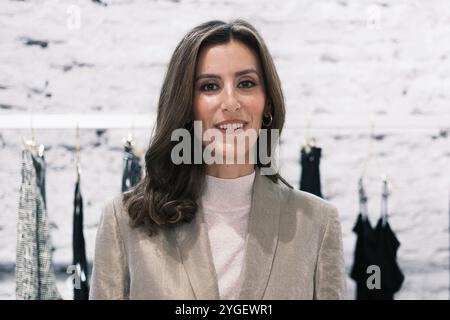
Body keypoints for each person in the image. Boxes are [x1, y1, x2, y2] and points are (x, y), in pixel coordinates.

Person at [89, 19, 346, 300]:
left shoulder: (318, 223)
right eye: (210, 86)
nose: (231, 102)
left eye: (246, 83)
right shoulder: (124, 220)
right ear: (187, 107)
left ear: (267, 104)